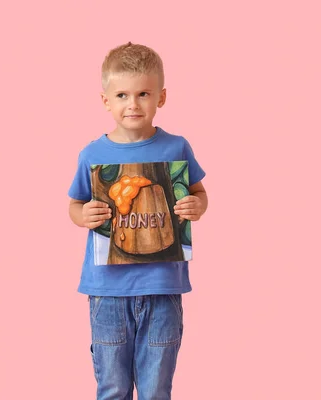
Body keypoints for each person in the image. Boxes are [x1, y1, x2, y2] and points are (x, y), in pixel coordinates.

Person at [68, 41, 208, 400]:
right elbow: (75, 204)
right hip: (107, 290)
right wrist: (83, 215)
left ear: (161, 97)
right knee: (112, 386)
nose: (133, 104)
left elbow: (199, 193)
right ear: (106, 100)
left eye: (143, 93)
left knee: (156, 388)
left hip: (163, 286)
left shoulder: (177, 148)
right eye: (122, 95)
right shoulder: (92, 154)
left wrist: (195, 206)